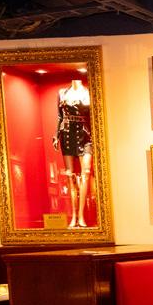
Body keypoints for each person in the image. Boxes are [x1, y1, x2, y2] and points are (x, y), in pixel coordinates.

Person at [52, 79, 92, 228]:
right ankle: (74, 216)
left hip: (85, 134)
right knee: (70, 176)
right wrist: (56, 135)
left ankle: (81, 215)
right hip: (67, 133)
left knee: (86, 173)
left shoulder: (89, 93)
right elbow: (60, 116)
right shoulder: (62, 93)